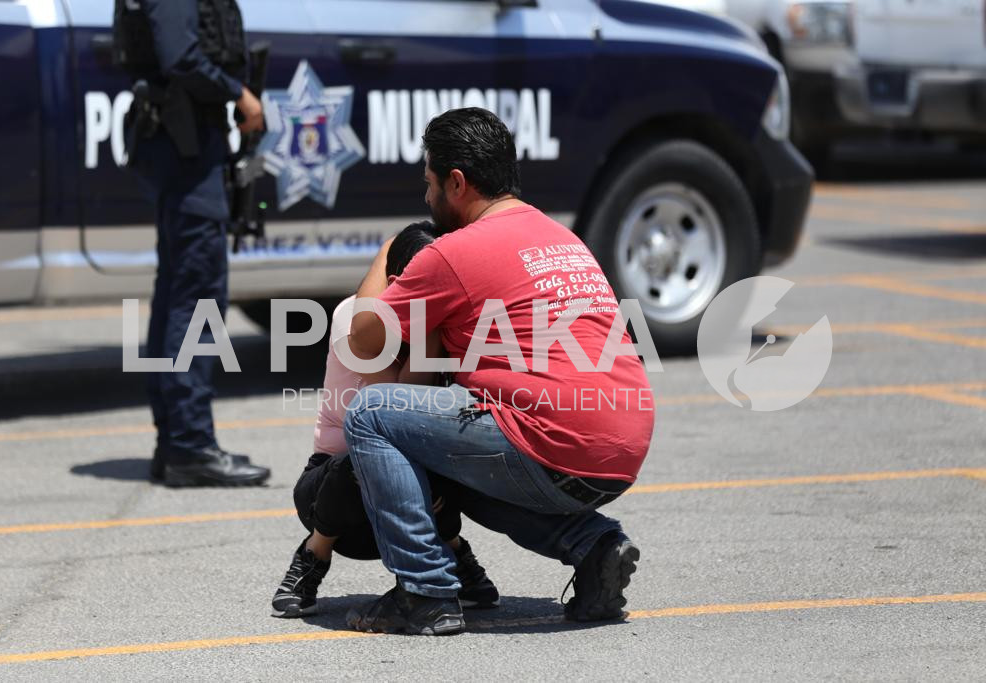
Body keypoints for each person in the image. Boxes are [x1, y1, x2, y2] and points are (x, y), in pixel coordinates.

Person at [343, 108, 654, 635]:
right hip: (621, 445)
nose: (426, 199)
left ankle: (424, 592)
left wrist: (390, 252)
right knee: (452, 455)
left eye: (429, 184)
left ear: (457, 183)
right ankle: (594, 546)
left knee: (372, 414)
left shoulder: (453, 253)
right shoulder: (559, 235)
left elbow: (362, 339)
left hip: (554, 441)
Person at [270, 222, 498, 618]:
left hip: (412, 492)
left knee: (461, 447)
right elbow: (389, 413)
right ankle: (312, 555)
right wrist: (430, 333)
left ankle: (454, 553)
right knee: (363, 457)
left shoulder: (443, 325)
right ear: (397, 282)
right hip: (335, 496)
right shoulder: (351, 318)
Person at [115, 0, 270, 486]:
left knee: (178, 294)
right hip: (184, 146)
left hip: (180, 143)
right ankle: (190, 444)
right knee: (197, 297)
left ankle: (176, 440)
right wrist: (239, 94)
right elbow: (179, 56)